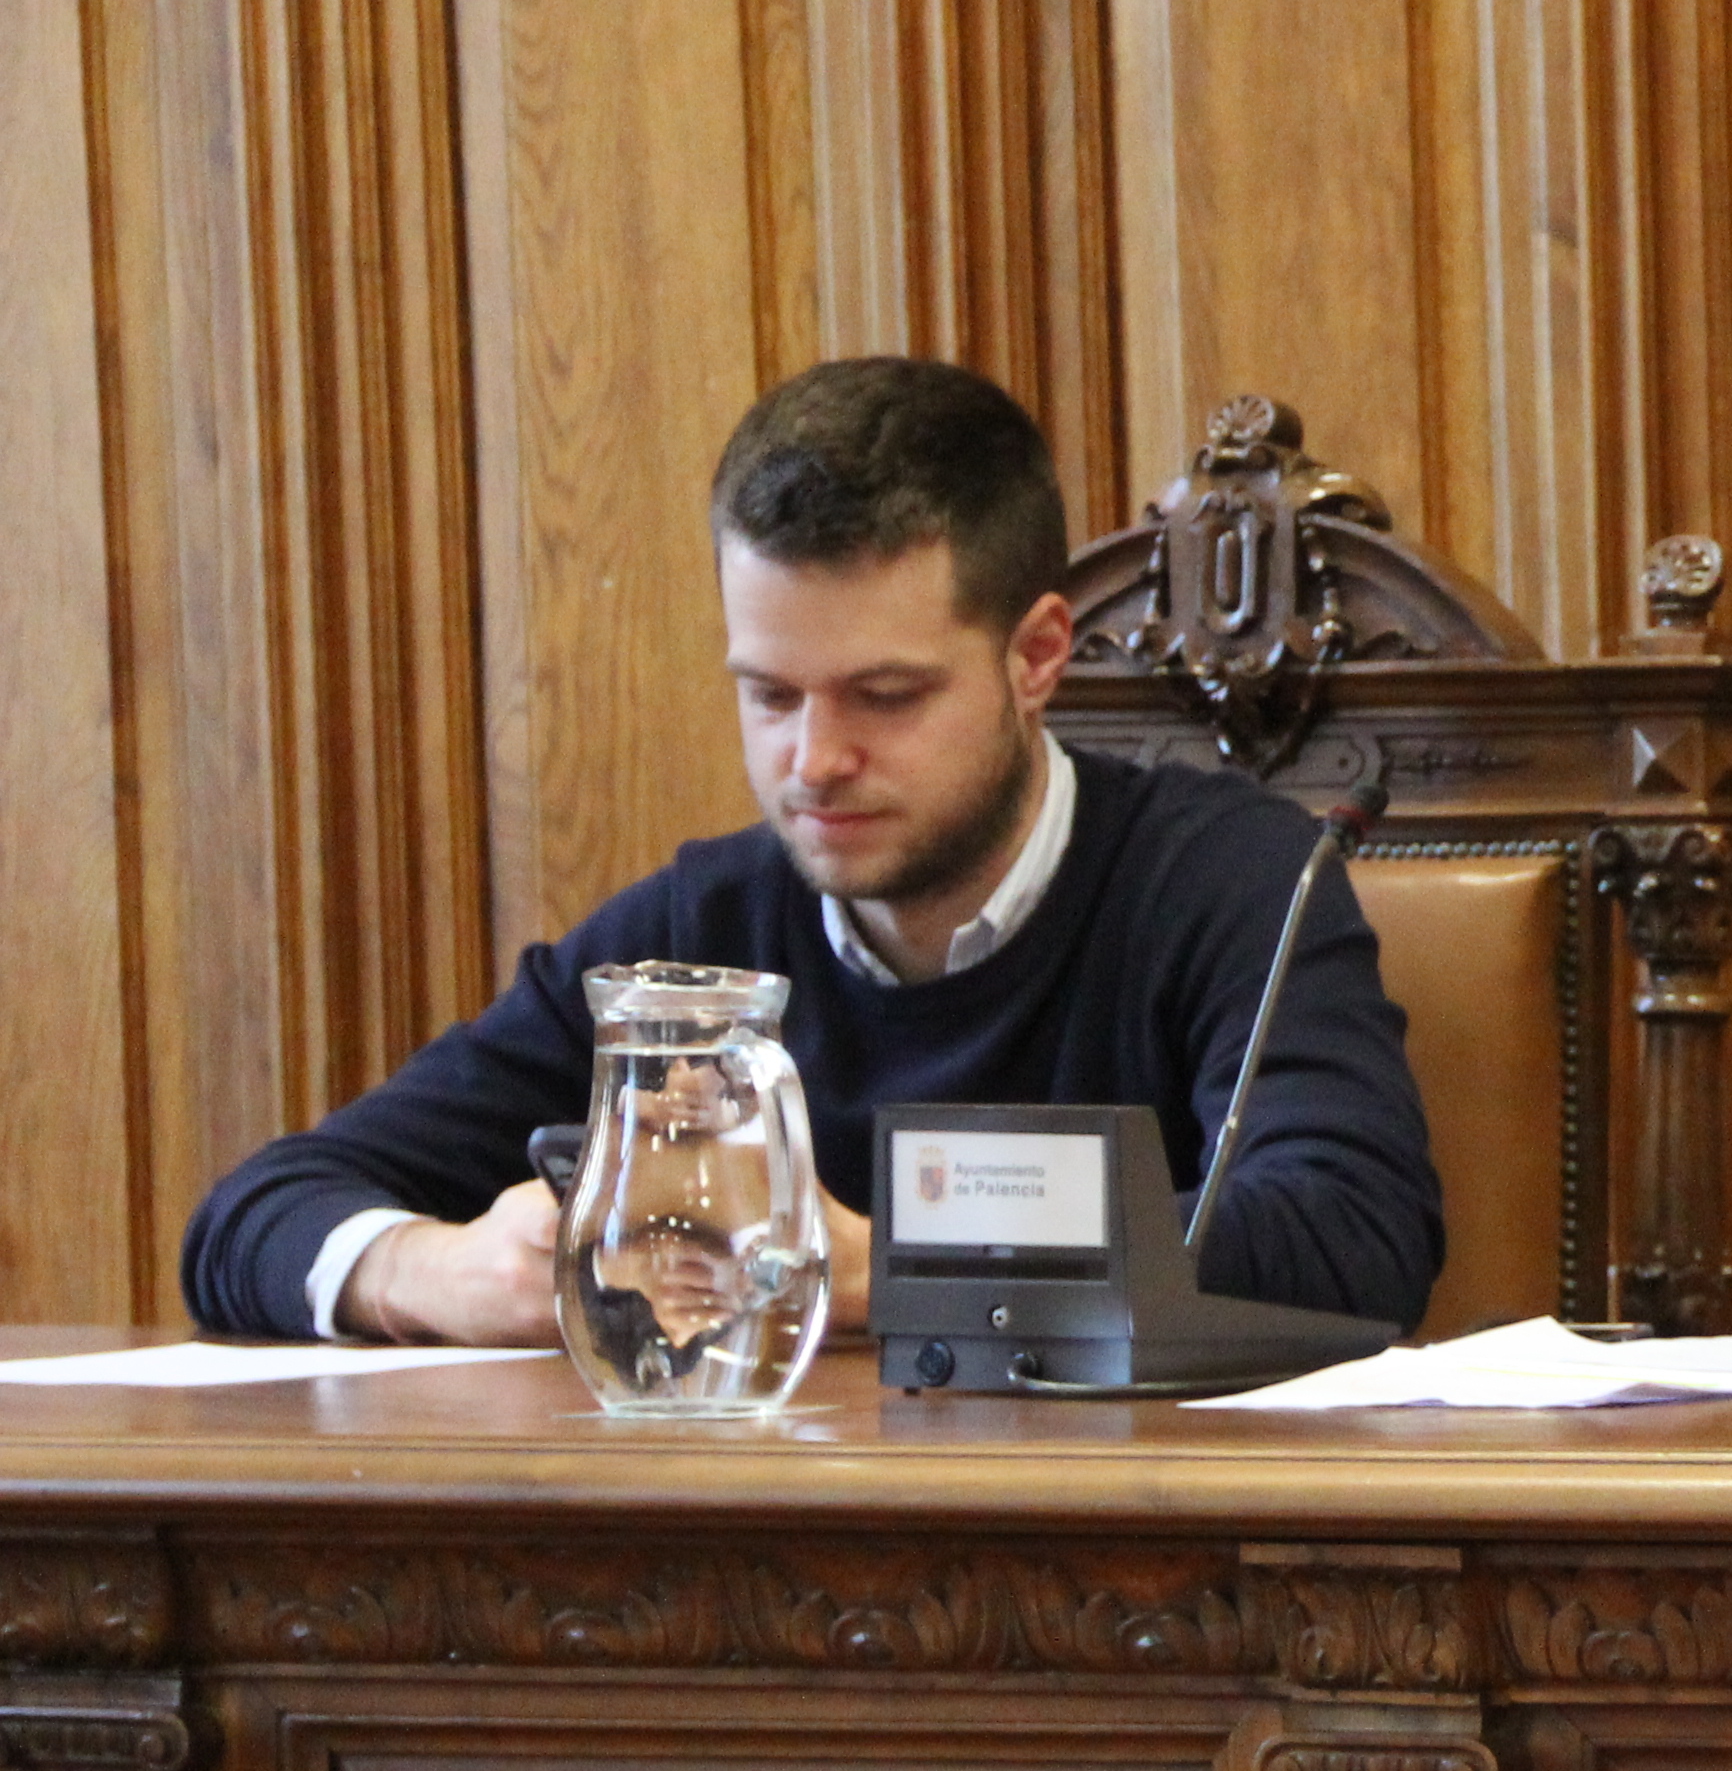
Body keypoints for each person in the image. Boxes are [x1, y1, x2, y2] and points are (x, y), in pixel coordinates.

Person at [182, 359, 1444, 1344]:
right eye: (770, 696)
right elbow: (252, 1212)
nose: (814, 761)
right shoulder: (697, 933)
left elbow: (1347, 1237)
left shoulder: (1235, 886)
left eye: (885, 696)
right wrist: (432, 1272)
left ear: (1037, 658)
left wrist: (887, 1263)